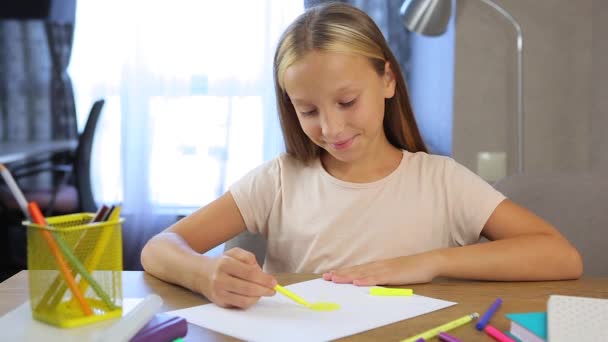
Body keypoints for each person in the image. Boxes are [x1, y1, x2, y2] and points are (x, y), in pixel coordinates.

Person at [141, 3, 582, 309]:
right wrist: (204, 274)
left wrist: (429, 262)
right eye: (308, 110)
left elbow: (560, 256)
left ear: (388, 79)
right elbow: (160, 248)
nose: (331, 129)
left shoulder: (440, 180)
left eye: (347, 102)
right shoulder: (279, 180)